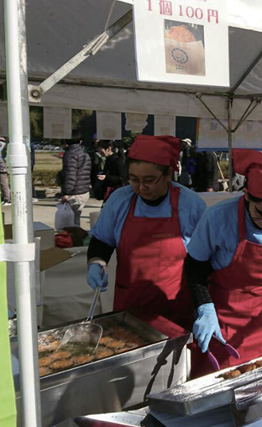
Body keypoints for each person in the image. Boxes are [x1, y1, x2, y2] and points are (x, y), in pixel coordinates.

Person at [184, 150, 262, 376]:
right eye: (261, 217)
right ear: (247, 196)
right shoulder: (219, 218)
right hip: (223, 321)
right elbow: (194, 267)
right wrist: (204, 308)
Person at [86, 135, 206, 324]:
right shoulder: (119, 200)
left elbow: (204, 257)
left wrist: (205, 304)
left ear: (168, 175)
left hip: (176, 305)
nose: (141, 187)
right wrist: (96, 262)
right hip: (130, 304)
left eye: (149, 180)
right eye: (134, 179)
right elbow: (102, 241)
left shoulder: (190, 204)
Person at [60, 134, 92, 227]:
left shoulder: (70, 154)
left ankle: (74, 241)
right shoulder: (85, 154)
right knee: (75, 221)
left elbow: (71, 175)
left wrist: (66, 193)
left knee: (70, 224)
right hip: (84, 191)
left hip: (74, 192)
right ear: (80, 141)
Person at [0, 137, 10, 205]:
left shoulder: (2, 150)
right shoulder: (4, 149)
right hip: (3, 168)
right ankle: (5, 198)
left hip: (3, 169)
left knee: (4, 184)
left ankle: (7, 199)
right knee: (3, 185)